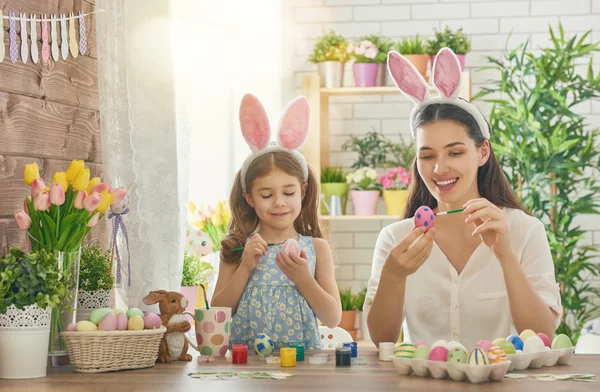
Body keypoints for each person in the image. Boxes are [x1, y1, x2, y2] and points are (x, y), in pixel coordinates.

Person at [365, 48, 562, 349]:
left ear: (482, 152)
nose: (439, 168)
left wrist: (505, 255)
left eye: (455, 152)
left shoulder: (523, 230)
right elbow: (382, 340)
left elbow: (542, 337)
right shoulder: (395, 239)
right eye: (427, 155)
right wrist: (393, 275)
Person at [211, 94, 341, 349]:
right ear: (249, 197)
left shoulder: (316, 248)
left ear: (303, 192)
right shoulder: (238, 247)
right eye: (267, 195)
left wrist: (304, 278)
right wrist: (245, 267)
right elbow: (218, 313)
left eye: (289, 193)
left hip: (301, 371)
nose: (279, 202)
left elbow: (333, 317)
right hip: (247, 369)